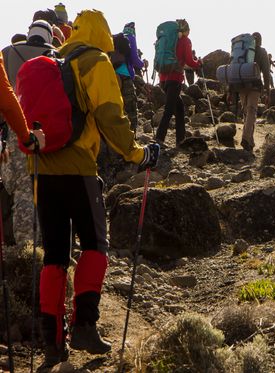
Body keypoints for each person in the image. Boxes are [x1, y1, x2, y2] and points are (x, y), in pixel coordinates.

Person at [20, 10, 159, 369]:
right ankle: (85, 325)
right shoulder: (95, 62)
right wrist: (138, 154)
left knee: (54, 253)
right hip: (79, 169)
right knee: (95, 244)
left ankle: (53, 341)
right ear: (103, 36)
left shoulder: (53, 60)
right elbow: (112, 116)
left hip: (41, 170)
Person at [1, 20, 55, 246]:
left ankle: (15, 242)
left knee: (13, 185)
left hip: (10, 127)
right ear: (49, 36)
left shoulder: (7, 52)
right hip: (38, 128)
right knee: (33, 186)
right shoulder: (54, 56)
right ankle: (34, 244)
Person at [155, 19, 201, 146]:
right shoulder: (185, 41)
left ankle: (180, 140)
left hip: (163, 79)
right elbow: (189, 61)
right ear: (186, 30)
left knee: (179, 108)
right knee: (169, 109)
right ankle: (159, 138)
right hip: (174, 79)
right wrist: (198, 63)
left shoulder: (168, 40)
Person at [239, 32, 270, 152]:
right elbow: (266, 73)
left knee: (246, 112)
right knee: (252, 111)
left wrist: (230, 91)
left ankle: (250, 143)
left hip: (241, 85)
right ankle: (246, 138)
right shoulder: (262, 52)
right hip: (254, 86)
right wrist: (268, 92)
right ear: (260, 41)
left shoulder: (243, 50)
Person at [115, 22, 146, 133]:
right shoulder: (131, 38)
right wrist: (143, 64)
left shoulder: (116, 39)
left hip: (113, 75)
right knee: (130, 108)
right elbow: (135, 59)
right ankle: (132, 136)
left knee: (118, 107)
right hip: (125, 75)